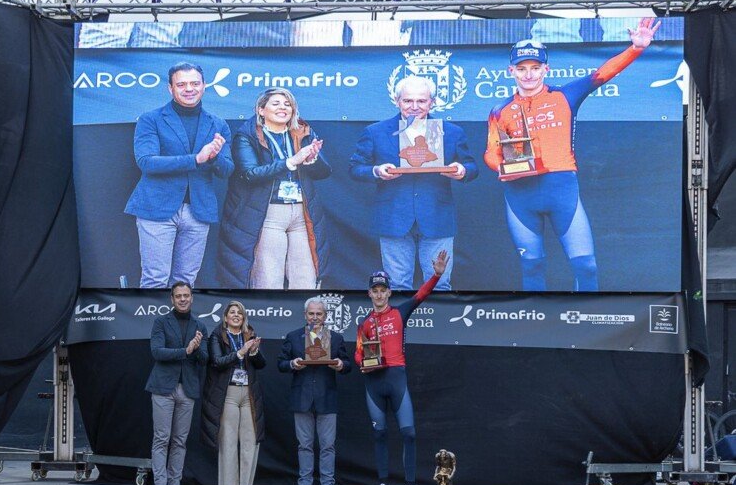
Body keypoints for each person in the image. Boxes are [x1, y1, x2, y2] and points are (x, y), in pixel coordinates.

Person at [484, 18, 661, 291]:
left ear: (546, 69)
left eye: (534, 68)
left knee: (585, 265)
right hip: (520, 196)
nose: (528, 75)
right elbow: (491, 152)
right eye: (522, 69)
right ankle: (536, 325)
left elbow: (602, 74)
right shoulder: (500, 109)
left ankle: (586, 323)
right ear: (511, 71)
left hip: (562, 189)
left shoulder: (565, 96)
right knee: (531, 265)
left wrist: (635, 49)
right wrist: (502, 168)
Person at [349, 75, 478, 291]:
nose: (414, 107)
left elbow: (472, 167)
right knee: (397, 285)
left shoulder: (452, 132)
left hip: (437, 216)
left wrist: (462, 170)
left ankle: (438, 325)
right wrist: (377, 171)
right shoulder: (375, 131)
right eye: (408, 101)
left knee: (439, 284)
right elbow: (355, 168)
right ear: (397, 101)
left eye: (421, 101)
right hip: (393, 216)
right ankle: (400, 326)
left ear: (432, 102)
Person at [125, 62, 235, 288]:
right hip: (156, 208)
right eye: (181, 84)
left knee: (185, 283)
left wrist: (213, 156)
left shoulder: (218, 124)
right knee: (155, 278)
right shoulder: (151, 119)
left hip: (198, 211)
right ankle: (152, 325)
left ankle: (179, 324)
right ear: (170, 88)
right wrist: (197, 159)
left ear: (204, 86)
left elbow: (227, 170)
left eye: (195, 83)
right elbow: (146, 162)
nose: (189, 89)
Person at [355, 250, 449, 485]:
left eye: (382, 290)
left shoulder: (400, 312)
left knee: (409, 434)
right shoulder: (364, 322)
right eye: (374, 290)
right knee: (380, 434)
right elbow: (358, 353)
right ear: (369, 294)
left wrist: (436, 275)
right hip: (374, 383)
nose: (378, 294)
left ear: (389, 293)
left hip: (396, 378)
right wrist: (363, 363)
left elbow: (421, 295)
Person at [218, 87, 332, 289]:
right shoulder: (247, 136)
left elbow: (324, 173)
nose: (283, 108)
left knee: (306, 275)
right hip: (268, 212)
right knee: (269, 275)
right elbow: (249, 174)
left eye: (288, 104)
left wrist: (312, 160)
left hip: (301, 211)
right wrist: (290, 162)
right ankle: (270, 318)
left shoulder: (303, 131)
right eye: (276, 103)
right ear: (261, 110)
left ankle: (303, 318)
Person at [277, 297, 352, 485]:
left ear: (326, 316)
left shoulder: (335, 338)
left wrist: (340, 365)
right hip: (301, 397)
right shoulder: (294, 337)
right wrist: (292, 363)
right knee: (304, 445)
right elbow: (280, 363)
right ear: (305, 315)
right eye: (311, 313)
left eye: (319, 314)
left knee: (328, 445)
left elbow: (348, 364)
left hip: (327, 397)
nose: (315, 317)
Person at [145, 281, 208, 485]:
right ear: (172, 299)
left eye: (186, 295)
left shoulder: (200, 325)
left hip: (187, 389)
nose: (182, 299)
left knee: (180, 440)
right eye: (178, 295)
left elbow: (204, 360)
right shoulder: (161, 322)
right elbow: (157, 352)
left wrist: (198, 348)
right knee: (161, 438)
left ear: (192, 298)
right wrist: (186, 350)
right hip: (163, 388)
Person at [201, 301, 266, 485]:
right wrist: (240, 352)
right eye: (232, 312)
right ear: (226, 317)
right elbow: (217, 362)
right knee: (228, 440)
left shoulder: (250, 334)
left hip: (248, 393)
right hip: (227, 392)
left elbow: (261, 364)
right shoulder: (217, 335)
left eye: (240, 313)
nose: (236, 315)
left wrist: (254, 351)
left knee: (250, 439)